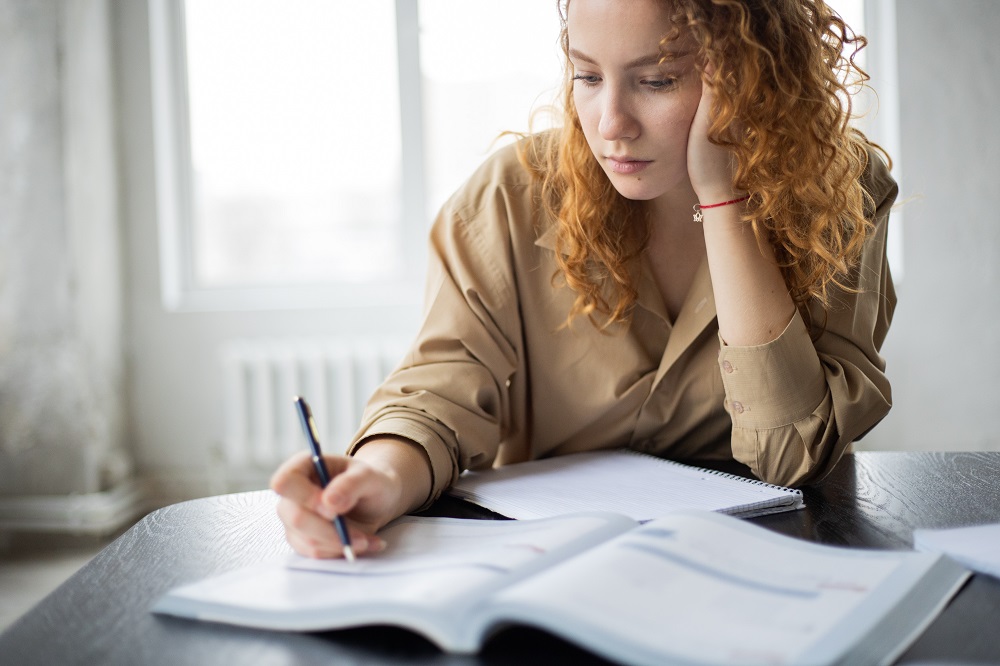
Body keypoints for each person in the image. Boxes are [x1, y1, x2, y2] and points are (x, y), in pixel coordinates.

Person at [272, 0, 897, 559]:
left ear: (749, 77)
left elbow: (792, 453)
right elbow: (439, 393)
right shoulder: (511, 196)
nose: (610, 122)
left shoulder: (840, 190)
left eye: (657, 80)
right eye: (588, 76)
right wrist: (378, 478)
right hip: (551, 567)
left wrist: (724, 200)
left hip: (761, 562)